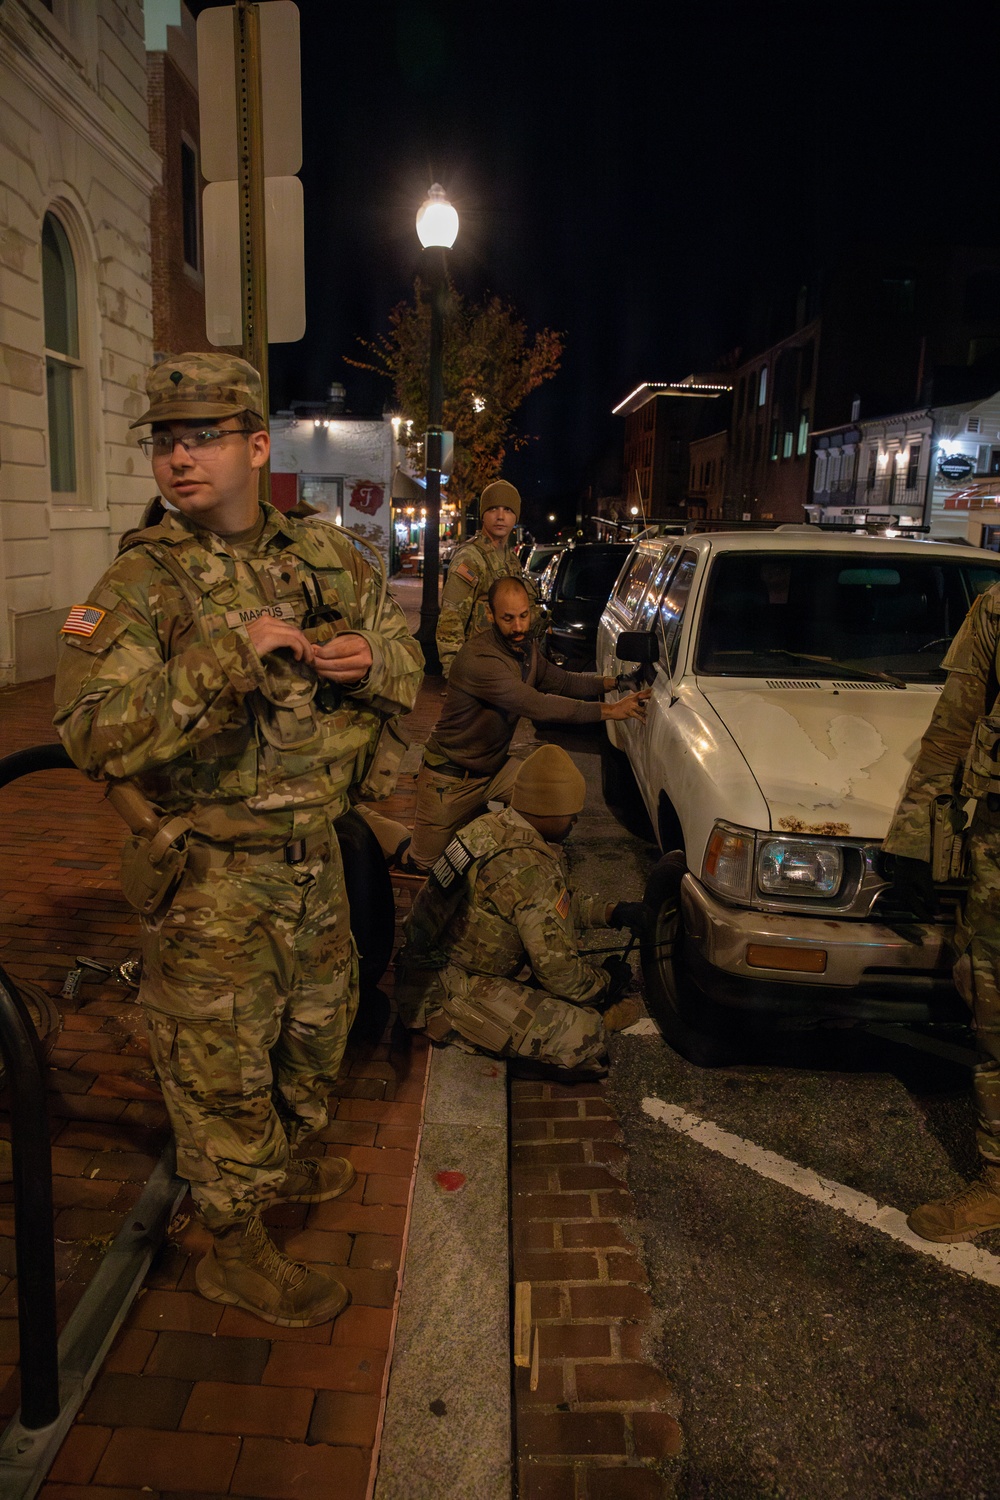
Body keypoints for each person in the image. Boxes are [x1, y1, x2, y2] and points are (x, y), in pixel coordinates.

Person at [53, 352, 423, 1327]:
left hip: (315, 862)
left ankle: (282, 1169)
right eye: (165, 439)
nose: (180, 457)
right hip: (213, 879)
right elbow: (89, 728)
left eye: (202, 435)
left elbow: (404, 652)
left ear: (256, 446)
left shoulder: (320, 554)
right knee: (219, 1071)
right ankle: (236, 1246)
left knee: (312, 1045)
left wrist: (365, 657)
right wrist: (222, 656)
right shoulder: (145, 580)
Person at [396, 745, 645, 1076]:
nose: (575, 820)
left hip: (424, 962)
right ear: (547, 810)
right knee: (584, 1033)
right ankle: (455, 1024)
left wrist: (613, 913)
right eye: (570, 812)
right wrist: (607, 982)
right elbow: (564, 978)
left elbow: (552, 906)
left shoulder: (488, 827)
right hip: (446, 989)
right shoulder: (529, 869)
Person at [884, 581, 1000, 1243]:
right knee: (994, 1009)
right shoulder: (995, 611)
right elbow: (953, 730)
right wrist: (911, 839)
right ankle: (996, 1185)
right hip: (997, 852)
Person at [401, 575, 649, 873]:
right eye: (507, 618)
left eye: (523, 616)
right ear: (490, 615)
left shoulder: (526, 647)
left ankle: (528, 864)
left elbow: (561, 681)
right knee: (422, 865)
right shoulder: (481, 658)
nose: (518, 626)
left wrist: (616, 682)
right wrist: (610, 710)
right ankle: (374, 823)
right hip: (450, 779)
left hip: (494, 770)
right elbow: (538, 704)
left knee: (555, 800)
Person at [436, 478, 537, 676]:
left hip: (506, 667)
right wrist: (454, 674)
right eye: (493, 509)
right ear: (483, 515)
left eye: (507, 510)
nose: (500, 517)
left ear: (515, 517)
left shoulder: (510, 559)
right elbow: (451, 619)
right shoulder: (471, 558)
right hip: (477, 668)